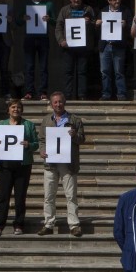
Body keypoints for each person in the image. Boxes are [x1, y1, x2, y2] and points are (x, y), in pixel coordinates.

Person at [38, 92, 86, 237]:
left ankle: (73, 224)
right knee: (49, 195)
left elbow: (82, 139)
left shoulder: (74, 120)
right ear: (51, 104)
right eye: (55, 102)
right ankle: (48, 223)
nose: (58, 104)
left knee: (71, 195)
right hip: (51, 162)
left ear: (64, 103)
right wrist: (42, 151)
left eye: (60, 102)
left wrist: (74, 136)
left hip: (68, 162)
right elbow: (41, 139)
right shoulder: (46, 120)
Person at [0, 99, 39, 236]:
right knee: (3, 196)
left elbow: (36, 143)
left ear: (22, 110)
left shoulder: (28, 125)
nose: (16, 109)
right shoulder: (1, 125)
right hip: (5, 165)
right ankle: (0, 224)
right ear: (8, 110)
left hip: (22, 165)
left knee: (20, 197)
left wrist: (29, 145)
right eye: (13, 107)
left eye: (18, 107)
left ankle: (19, 224)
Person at [54, 0, 96, 100]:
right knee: (68, 71)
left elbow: (96, 24)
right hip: (68, 46)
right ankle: (68, 95)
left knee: (82, 71)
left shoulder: (88, 9)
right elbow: (59, 26)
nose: (76, 0)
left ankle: (82, 95)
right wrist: (61, 40)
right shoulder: (64, 10)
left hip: (83, 46)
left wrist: (89, 23)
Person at [17, 0, 55, 101]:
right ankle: (29, 92)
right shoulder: (26, 4)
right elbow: (17, 21)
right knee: (29, 66)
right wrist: (23, 18)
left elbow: (55, 21)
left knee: (43, 67)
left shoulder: (48, 4)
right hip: (30, 38)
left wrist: (50, 19)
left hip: (43, 38)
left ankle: (43, 92)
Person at [95, 0, 132, 100]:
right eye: (115, 0)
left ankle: (121, 94)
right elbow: (96, 32)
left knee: (119, 71)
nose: (117, 1)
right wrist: (97, 25)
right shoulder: (103, 11)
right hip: (105, 45)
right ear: (109, 1)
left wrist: (126, 25)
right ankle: (106, 94)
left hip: (119, 45)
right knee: (105, 71)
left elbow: (132, 28)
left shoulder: (126, 11)